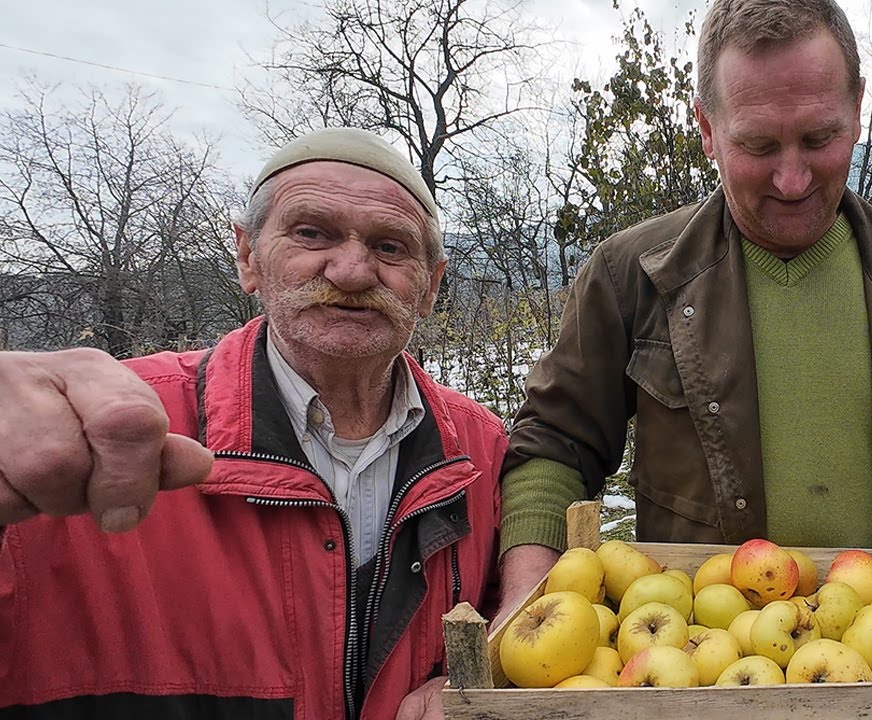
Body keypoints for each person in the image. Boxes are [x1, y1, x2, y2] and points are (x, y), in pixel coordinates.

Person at [498, 0, 872, 610]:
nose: (792, 179)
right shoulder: (633, 278)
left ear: (858, 109)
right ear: (706, 128)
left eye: (819, 138)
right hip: (705, 664)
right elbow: (552, 444)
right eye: (757, 145)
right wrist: (526, 600)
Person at [0, 128, 509, 719]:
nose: (351, 271)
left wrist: (485, 682)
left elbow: (526, 630)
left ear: (431, 287)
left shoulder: (480, 451)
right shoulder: (106, 436)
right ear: (248, 257)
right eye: (311, 232)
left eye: (391, 247)